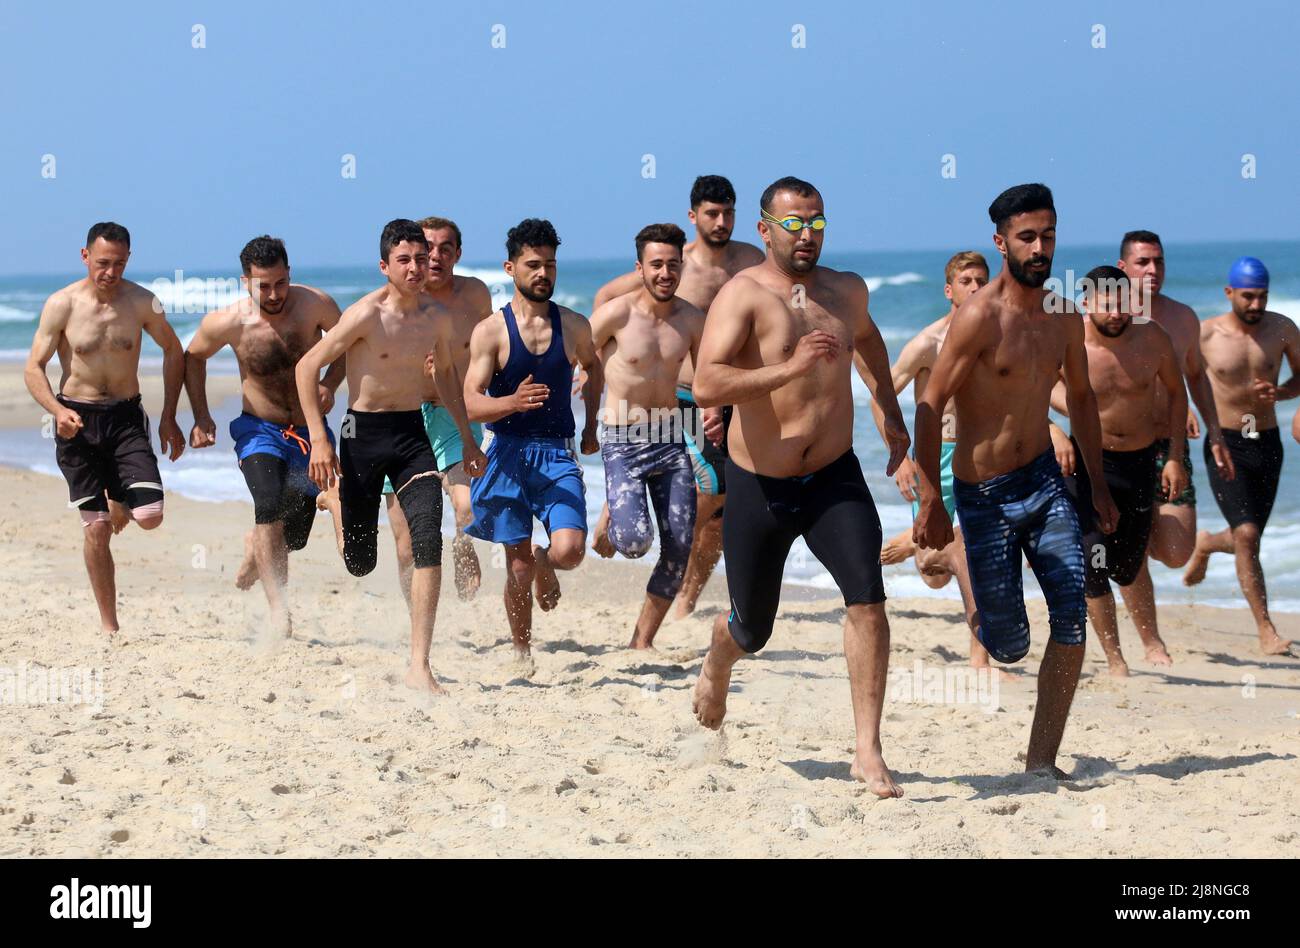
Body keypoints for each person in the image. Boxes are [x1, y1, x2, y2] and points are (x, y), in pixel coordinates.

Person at [688, 176, 910, 797]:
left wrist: (890, 412)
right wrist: (788, 367)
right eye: (794, 224)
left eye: (816, 222)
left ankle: (867, 750)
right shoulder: (743, 296)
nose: (806, 234)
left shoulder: (847, 291)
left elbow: (868, 343)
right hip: (761, 483)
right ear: (764, 229)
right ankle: (718, 655)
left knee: (868, 597)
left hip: (834, 476)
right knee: (753, 631)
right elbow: (708, 384)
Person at [914, 184, 1118, 778]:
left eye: (1048, 235)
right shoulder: (980, 318)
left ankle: (1041, 759)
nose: (1039, 247)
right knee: (1007, 646)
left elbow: (1080, 398)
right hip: (984, 496)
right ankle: (955, 566)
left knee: (1071, 616)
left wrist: (1098, 485)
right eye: (1027, 237)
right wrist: (931, 495)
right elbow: (930, 404)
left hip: (1045, 483)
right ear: (1001, 242)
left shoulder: (1062, 315)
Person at [295, 219, 485, 694]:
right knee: (360, 561)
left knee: (425, 538)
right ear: (385, 266)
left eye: (422, 258)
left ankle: (420, 665)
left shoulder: (436, 319)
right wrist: (319, 439)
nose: (417, 267)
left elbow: (444, 380)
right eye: (405, 259)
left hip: (410, 434)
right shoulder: (365, 315)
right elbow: (306, 367)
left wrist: (468, 438)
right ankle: (336, 502)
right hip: (362, 435)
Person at [591, 175, 765, 618]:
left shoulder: (750, 261)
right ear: (694, 217)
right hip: (679, 396)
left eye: (729, 213)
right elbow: (609, 297)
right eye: (712, 213)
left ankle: (686, 597)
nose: (721, 221)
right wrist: (602, 361)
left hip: (726, 395)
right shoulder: (674, 262)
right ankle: (620, 503)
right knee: (712, 487)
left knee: (722, 507)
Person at [24, 222, 186, 635]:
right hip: (75, 422)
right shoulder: (62, 304)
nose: (110, 272)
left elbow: (173, 349)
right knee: (96, 529)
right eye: (101, 263)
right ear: (84, 257)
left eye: (118, 263)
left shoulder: (142, 302)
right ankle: (109, 625)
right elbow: (34, 367)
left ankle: (121, 498)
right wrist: (56, 411)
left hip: (125, 418)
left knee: (149, 516)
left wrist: (169, 415)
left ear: (128, 259)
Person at [184, 236, 344, 637]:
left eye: (280, 283)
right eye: (263, 286)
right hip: (259, 429)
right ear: (245, 281)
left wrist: (331, 383)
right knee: (268, 503)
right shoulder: (229, 322)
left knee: (294, 535)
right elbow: (193, 358)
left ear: (290, 274)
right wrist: (201, 416)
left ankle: (257, 548)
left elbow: (349, 344)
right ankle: (280, 613)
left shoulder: (316, 306)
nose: (274, 294)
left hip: (310, 433)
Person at [463, 219, 602, 668]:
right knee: (516, 568)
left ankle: (547, 561)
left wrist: (591, 424)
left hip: (556, 451)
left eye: (550, 265)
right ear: (510, 268)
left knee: (570, 550)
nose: (543, 273)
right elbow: (468, 402)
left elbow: (594, 370)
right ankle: (522, 651)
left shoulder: (576, 326)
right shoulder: (492, 331)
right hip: (505, 452)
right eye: (533, 264)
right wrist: (511, 402)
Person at [1049, 266, 1188, 675]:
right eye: (1108, 305)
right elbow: (1029, 389)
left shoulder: (1152, 338)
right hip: (1089, 465)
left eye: (1124, 304)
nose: (1117, 313)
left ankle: (1150, 639)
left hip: (1141, 462)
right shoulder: (1070, 343)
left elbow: (1178, 395)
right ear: (1088, 303)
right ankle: (1115, 659)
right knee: (1093, 563)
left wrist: (1175, 456)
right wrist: (1054, 430)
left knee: (1128, 564)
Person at [1112, 230, 1235, 659]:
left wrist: (1214, 428)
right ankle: (1151, 640)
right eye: (1143, 262)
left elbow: (1195, 375)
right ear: (1123, 267)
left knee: (1176, 551)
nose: (1152, 270)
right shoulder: (1108, 316)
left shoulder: (1183, 318)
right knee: (1132, 550)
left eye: (1158, 262)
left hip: (1168, 445)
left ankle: (1155, 541)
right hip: (1121, 446)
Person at [874, 251, 991, 668]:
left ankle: (981, 658)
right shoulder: (928, 343)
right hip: (936, 457)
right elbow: (881, 396)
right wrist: (899, 453)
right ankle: (917, 545)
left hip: (982, 455)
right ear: (949, 290)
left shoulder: (996, 336)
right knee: (935, 574)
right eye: (966, 281)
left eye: (981, 280)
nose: (976, 288)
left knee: (974, 552)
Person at [590, 223, 705, 648]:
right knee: (635, 542)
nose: (665, 273)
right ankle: (613, 512)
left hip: (671, 438)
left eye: (673, 265)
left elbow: (711, 373)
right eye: (656, 264)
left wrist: (712, 412)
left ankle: (641, 641)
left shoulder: (692, 320)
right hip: (622, 438)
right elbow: (577, 353)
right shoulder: (618, 314)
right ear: (640, 267)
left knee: (679, 547)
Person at [1183, 257, 1298, 656]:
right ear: (1230, 293)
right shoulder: (1206, 334)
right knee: (1248, 536)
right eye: (1248, 296)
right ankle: (1266, 629)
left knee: (1248, 537)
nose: (1256, 304)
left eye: (1263, 296)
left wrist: (1282, 393)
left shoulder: (1282, 329)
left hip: (1267, 442)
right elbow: (1177, 374)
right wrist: (1183, 411)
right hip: (1225, 441)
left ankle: (1208, 544)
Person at [376, 217, 493, 605]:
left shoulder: (474, 295)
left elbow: (491, 348)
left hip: (453, 413)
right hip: (405, 419)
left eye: (446, 249)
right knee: (407, 544)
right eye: (429, 250)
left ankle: (463, 543)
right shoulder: (396, 301)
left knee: (467, 507)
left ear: (458, 253)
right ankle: (418, 625)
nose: (437, 257)